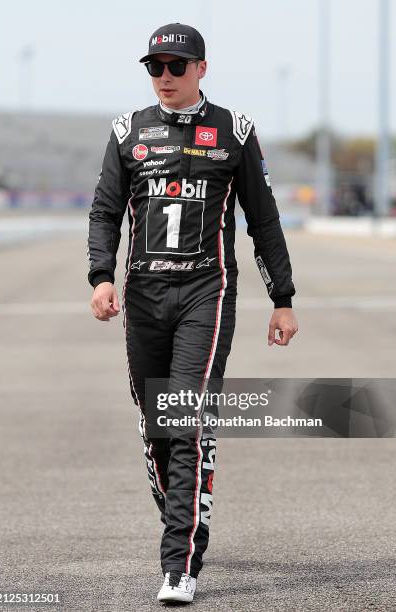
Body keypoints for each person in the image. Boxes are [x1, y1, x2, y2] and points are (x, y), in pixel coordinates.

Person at [87, 22, 298, 604]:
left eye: (175, 67)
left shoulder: (234, 130)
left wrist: (283, 298)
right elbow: (105, 213)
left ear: (201, 69)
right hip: (143, 297)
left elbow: (265, 220)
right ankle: (182, 499)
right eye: (154, 67)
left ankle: (179, 561)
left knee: (185, 420)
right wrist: (101, 276)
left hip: (208, 293)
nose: (164, 78)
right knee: (159, 426)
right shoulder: (127, 131)